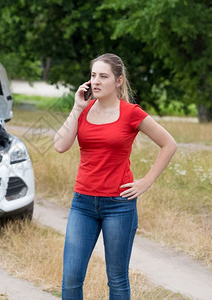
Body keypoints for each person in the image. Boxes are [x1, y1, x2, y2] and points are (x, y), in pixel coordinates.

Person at [54, 53, 177, 299]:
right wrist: (77, 108)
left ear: (118, 81)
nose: (96, 81)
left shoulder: (131, 113)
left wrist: (146, 181)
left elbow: (169, 144)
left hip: (119, 206)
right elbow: (60, 145)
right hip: (83, 204)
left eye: (103, 76)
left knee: (117, 280)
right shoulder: (84, 109)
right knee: (70, 280)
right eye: (93, 75)